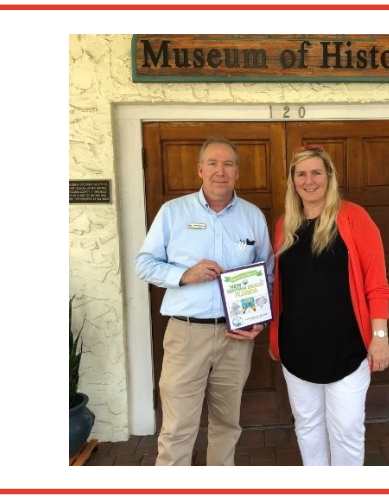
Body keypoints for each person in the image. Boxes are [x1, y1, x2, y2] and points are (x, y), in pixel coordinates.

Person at [135, 137, 274, 466]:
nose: (219, 171)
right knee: (177, 429)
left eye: (227, 164)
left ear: (237, 172)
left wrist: (259, 318)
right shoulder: (173, 212)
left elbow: (267, 273)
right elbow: (144, 264)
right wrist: (185, 274)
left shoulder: (252, 216)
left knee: (227, 425)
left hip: (235, 338)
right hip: (186, 335)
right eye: (212, 163)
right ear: (200, 169)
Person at [269, 144, 389, 466]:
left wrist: (379, 338)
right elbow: (280, 288)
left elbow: (377, 284)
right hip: (297, 347)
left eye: (316, 173)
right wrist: (273, 334)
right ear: (293, 180)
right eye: (301, 174)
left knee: (346, 430)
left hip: (347, 347)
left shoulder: (353, 217)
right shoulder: (284, 225)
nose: (309, 181)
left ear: (329, 176)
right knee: (307, 426)